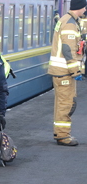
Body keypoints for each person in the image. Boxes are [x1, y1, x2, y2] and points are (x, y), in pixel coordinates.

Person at [48, 0, 86, 146]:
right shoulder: (70, 23)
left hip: (61, 71)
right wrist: (75, 70)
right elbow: (67, 49)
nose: (85, 10)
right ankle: (63, 136)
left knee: (63, 104)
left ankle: (60, 133)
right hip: (64, 71)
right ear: (80, 7)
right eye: (84, 7)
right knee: (66, 104)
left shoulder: (67, 20)